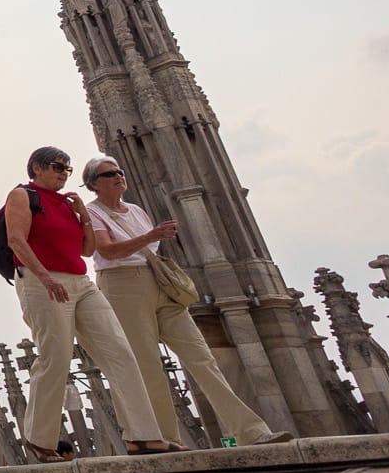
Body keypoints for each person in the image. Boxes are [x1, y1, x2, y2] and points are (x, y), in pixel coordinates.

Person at [83, 155, 292, 447]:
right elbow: (107, 252)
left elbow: (146, 247)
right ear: (94, 184)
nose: (118, 176)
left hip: (157, 281)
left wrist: (152, 236)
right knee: (147, 364)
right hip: (122, 285)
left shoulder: (135, 210)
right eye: (109, 174)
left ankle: (251, 432)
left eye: (120, 171)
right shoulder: (92, 213)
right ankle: (164, 439)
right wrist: (151, 235)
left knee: (202, 358)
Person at [5, 146, 182, 463]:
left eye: (67, 169)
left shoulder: (66, 203)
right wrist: (46, 278)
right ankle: (39, 440)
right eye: (57, 167)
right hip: (41, 281)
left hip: (81, 282)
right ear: (36, 167)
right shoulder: (22, 195)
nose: (63, 173)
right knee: (55, 357)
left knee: (120, 351)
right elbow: (16, 240)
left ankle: (143, 437)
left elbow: (87, 250)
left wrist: (83, 216)